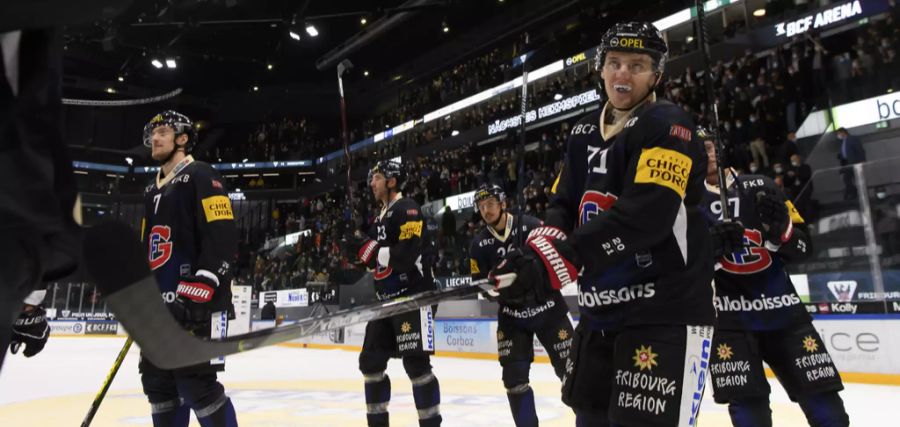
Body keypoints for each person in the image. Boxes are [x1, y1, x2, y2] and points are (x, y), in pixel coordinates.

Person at [490, 22, 715, 426]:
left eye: (636, 65)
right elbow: (562, 205)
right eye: (614, 63)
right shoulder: (581, 132)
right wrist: (534, 255)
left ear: (657, 75)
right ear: (601, 69)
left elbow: (648, 215)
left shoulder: (670, 126)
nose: (623, 74)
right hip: (599, 317)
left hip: (662, 313)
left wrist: (564, 258)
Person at [700, 137, 849, 427]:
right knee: (749, 413)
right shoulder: (686, 203)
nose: (707, 152)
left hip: (785, 314)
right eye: (699, 147)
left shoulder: (763, 185)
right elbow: (677, 271)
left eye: (711, 145)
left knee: (828, 409)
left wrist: (783, 235)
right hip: (729, 323)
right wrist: (708, 253)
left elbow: (805, 249)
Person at [140, 110, 239, 427]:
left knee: (197, 385)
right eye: (153, 133)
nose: (155, 138)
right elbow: (148, 248)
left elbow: (222, 234)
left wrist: (203, 285)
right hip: (160, 311)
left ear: (182, 138)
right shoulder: (150, 190)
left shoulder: (201, 174)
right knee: (159, 387)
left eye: (164, 132)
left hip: (198, 305)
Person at [468, 183, 574, 427]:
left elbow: (556, 258)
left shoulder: (531, 226)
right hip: (512, 315)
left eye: (491, 204)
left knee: (573, 372)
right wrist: (495, 288)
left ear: (503, 203)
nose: (486, 210)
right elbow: (481, 286)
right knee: (514, 379)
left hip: (548, 308)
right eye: (482, 206)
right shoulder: (478, 245)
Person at [352, 160, 442, 427]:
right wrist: (356, 245)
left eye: (377, 178)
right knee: (370, 362)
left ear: (391, 182)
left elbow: (403, 257)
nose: (372, 183)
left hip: (415, 298)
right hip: (387, 302)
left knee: (417, 366)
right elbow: (373, 260)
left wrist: (370, 249)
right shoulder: (380, 214)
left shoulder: (408, 209)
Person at [835, 127, 865, 200]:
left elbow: (859, 150)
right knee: (847, 179)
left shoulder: (852, 139)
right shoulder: (843, 142)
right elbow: (844, 153)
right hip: (846, 163)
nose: (838, 135)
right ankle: (852, 193)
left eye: (839, 133)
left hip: (853, 162)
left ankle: (853, 193)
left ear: (843, 132)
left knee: (848, 179)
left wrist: (861, 161)